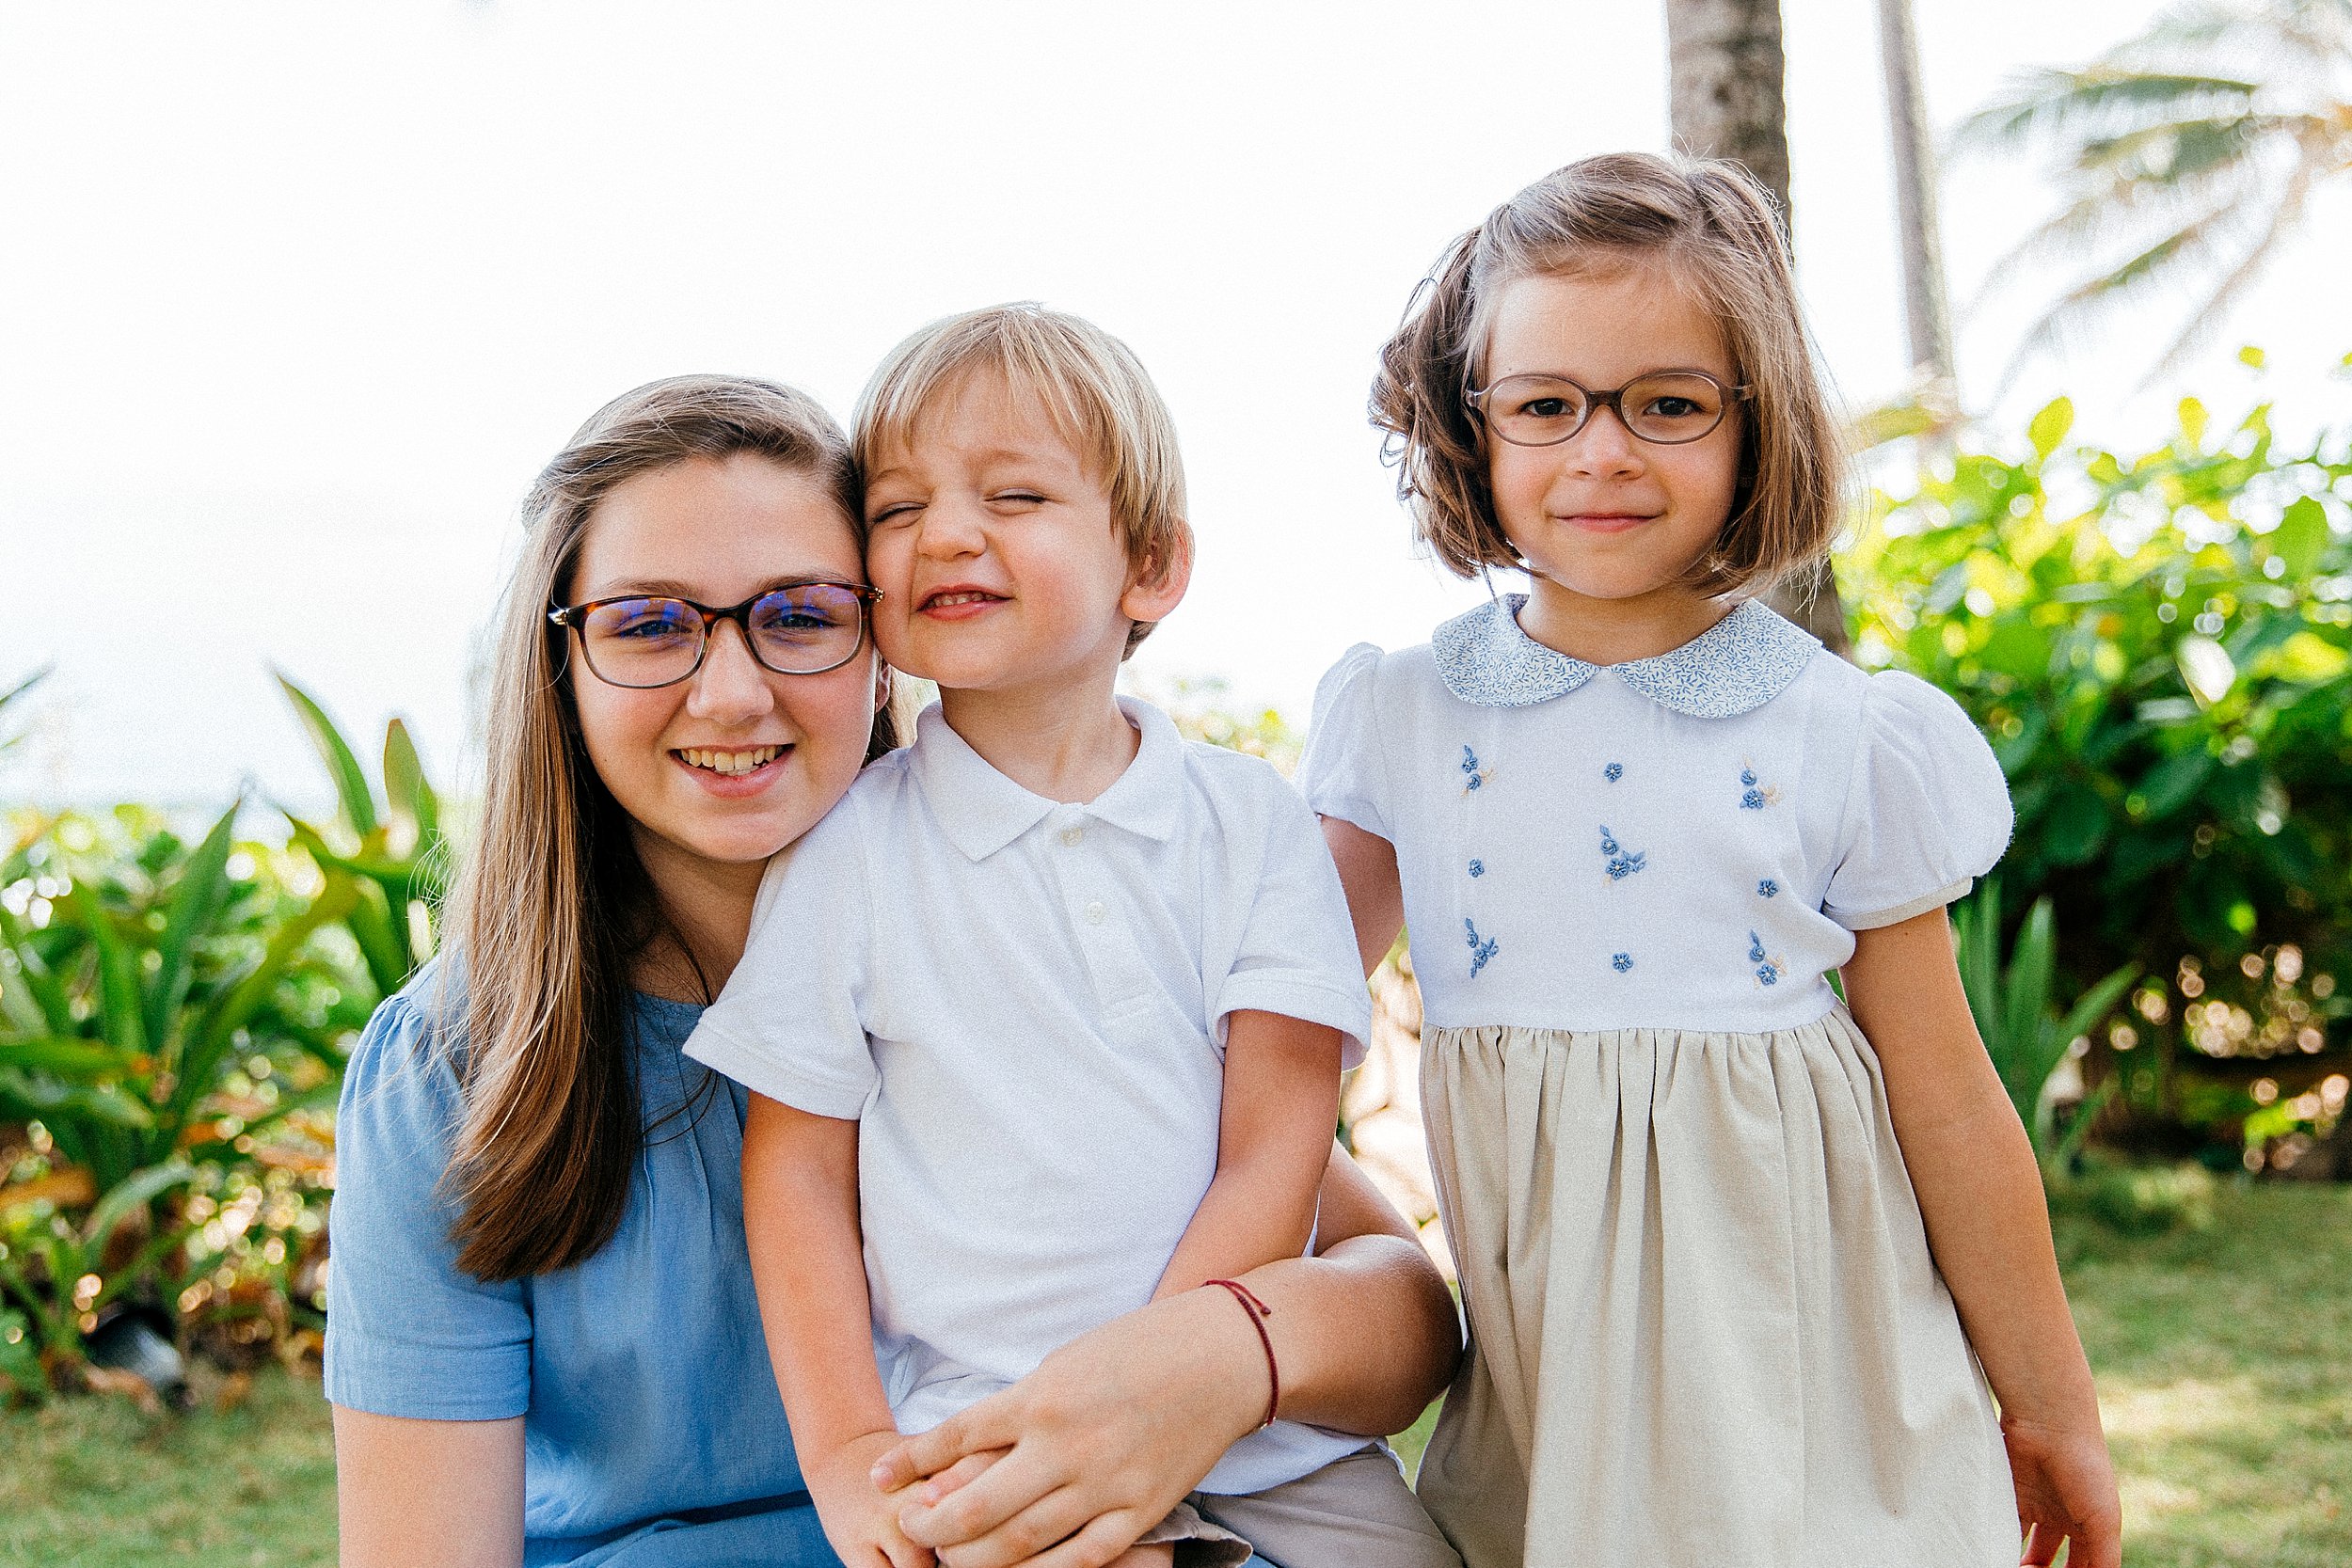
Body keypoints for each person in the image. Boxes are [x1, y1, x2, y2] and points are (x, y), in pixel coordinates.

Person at [325, 373, 1462, 1568]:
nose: (731, 690)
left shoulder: (1043, 943)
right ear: (562, 659)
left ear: (885, 634)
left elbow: (1402, 1306)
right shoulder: (457, 1066)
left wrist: (1215, 1358)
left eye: (802, 613)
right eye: (650, 624)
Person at [1298, 153, 2123, 1568]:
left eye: (1668, 404)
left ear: (1758, 426)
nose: (1602, 450)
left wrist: (2056, 1406)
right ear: (1468, 426)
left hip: (1827, 1396)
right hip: (1549, 1414)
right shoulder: (1400, 719)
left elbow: (1951, 1100)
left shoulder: (1838, 734)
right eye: (1546, 405)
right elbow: (1278, 1047)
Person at [681, 307, 1464, 1568]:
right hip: (993, 1448)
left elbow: (1277, 1139)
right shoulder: (847, 858)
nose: (945, 531)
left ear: (1150, 564)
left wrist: (1158, 1389)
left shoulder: (1249, 822)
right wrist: (845, 1457)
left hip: (1273, 1433)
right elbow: (797, 1182)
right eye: (895, 508)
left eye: (1015, 493)